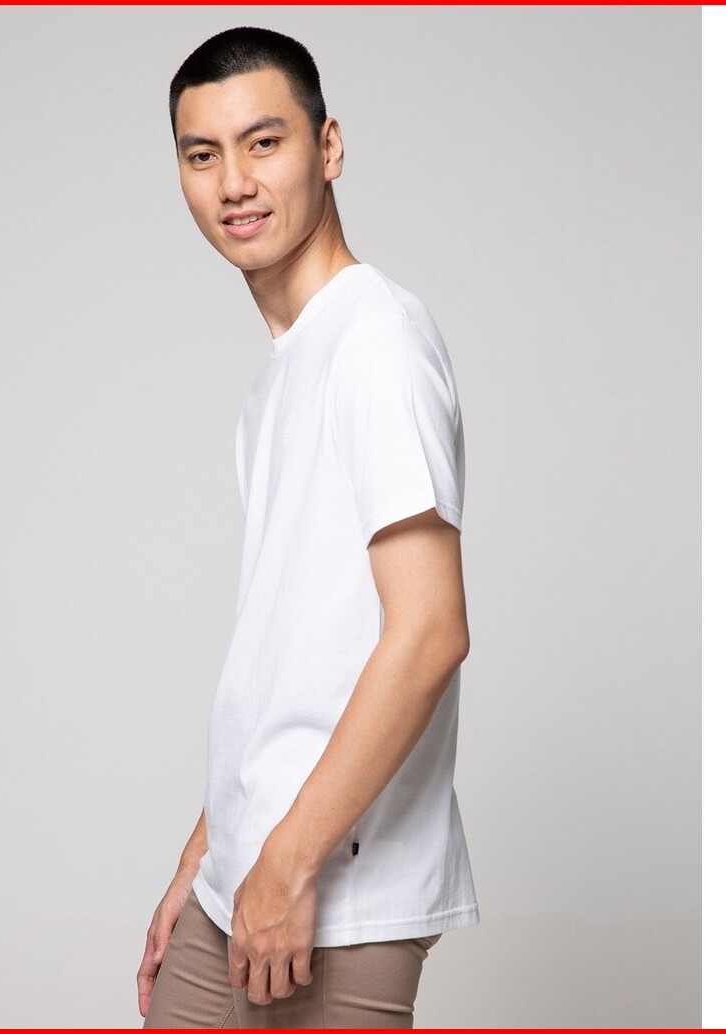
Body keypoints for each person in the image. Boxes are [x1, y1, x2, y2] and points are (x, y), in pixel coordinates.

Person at [137, 26, 480, 1029]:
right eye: (202, 155)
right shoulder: (285, 370)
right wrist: (204, 855)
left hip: (334, 895)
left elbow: (428, 632)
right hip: (246, 878)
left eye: (264, 142)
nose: (234, 182)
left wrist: (285, 866)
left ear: (327, 148)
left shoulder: (376, 341)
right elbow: (292, 660)